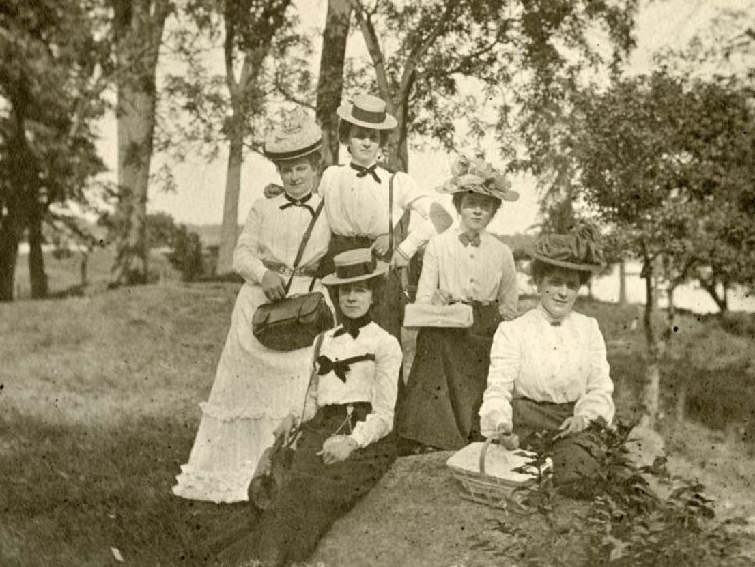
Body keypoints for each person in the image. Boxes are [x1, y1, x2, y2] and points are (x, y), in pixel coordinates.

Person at [172, 111, 331, 504]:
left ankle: (282, 469)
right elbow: (241, 255)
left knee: (298, 386)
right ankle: (238, 471)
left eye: (301, 168)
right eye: (287, 170)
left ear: (316, 167)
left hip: (307, 305)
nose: (294, 177)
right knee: (248, 389)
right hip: (263, 305)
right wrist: (264, 274)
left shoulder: (330, 207)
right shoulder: (264, 207)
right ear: (278, 171)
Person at [217, 248, 402, 567]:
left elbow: (385, 416)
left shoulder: (385, 343)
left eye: (360, 290)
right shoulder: (324, 340)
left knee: (318, 495)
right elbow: (313, 397)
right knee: (291, 489)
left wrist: (351, 442)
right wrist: (293, 416)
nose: (351, 298)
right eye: (345, 290)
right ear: (336, 295)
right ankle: (263, 561)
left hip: (364, 437)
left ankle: (280, 560)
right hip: (321, 427)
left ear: (374, 295)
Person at [479, 223, 615, 494]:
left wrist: (584, 418)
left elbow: (600, 387)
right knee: (513, 473)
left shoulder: (588, 329)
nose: (563, 292)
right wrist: (502, 424)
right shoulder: (513, 331)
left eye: (571, 285)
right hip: (524, 423)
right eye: (555, 282)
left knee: (575, 474)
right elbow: (498, 389)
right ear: (539, 282)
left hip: (571, 424)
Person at [397, 156, 520, 450]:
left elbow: (509, 307)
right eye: (470, 203)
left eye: (485, 206)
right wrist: (437, 300)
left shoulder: (502, 252)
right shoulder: (438, 245)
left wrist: (497, 325)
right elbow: (423, 299)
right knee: (434, 344)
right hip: (447, 323)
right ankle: (434, 436)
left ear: (493, 211)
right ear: (458, 206)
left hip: (485, 327)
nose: (477, 211)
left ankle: (479, 430)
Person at [318, 93, 449, 340]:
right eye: (360, 135)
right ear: (346, 137)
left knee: (382, 343)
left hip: (378, 269)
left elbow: (442, 218)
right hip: (337, 268)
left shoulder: (396, 181)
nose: (367, 143)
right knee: (336, 343)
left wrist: (404, 249)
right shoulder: (331, 176)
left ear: (382, 142)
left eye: (374, 137)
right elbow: (314, 218)